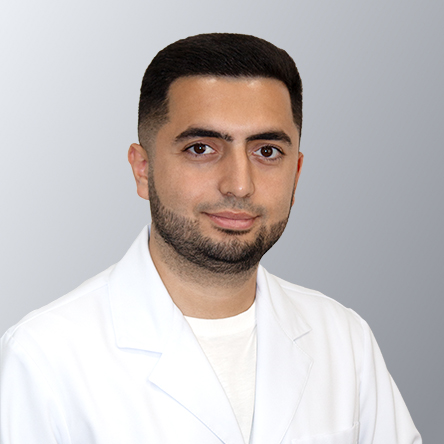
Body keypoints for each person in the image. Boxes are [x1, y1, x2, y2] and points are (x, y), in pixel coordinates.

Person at [0, 33, 421, 444]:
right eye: (201, 148)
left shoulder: (344, 340)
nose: (239, 185)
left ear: (295, 173)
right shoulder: (43, 357)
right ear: (143, 169)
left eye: (267, 151)